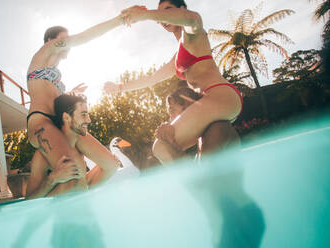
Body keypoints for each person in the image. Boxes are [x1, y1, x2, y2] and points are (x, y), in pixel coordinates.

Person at [104, 0, 243, 163]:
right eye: (161, 13)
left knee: (161, 146)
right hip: (212, 104)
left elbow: (191, 19)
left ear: (181, 9)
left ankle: (197, 186)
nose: (164, 17)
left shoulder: (193, 32)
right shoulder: (178, 56)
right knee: (202, 161)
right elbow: (151, 79)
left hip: (219, 96)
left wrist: (145, 14)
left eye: (168, 10)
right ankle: (203, 183)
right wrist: (119, 88)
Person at [27, 14, 126, 197]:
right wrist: (118, 21)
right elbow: (83, 38)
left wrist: (68, 93)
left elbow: (56, 101)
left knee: (110, 165)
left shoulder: (58, 78)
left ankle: (79, 189)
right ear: (50, 41)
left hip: (63, 124)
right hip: (42, 122)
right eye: (64, 39)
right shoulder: (40, 58)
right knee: (70, 171)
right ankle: (59, 197)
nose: (69, 44)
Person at [27, 94, 121, 197]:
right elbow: (29, 199)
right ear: (67, 117)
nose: (89, 120)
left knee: (113, 164)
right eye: (84, 115)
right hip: (63, 211)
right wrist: (52, 179)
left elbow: (82, 183)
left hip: (83, 207)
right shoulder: (42, 155)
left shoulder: (79, 149)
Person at [156, 85, 240, 161]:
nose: (171, 120)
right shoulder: (203, 136)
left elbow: (203, 176)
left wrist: (171, 142)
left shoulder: (217, 128)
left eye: (172, 110)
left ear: (189, 110)